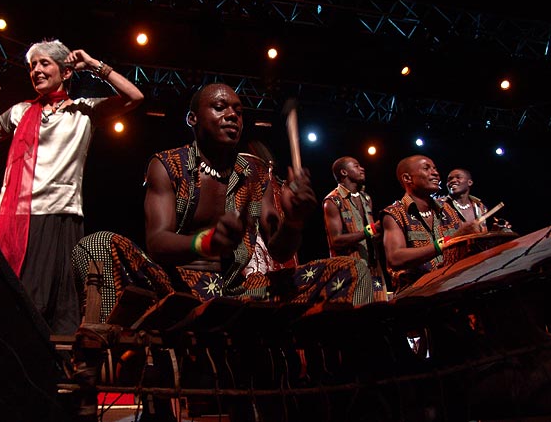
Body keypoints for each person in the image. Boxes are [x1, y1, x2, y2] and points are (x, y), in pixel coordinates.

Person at [71, 82, 374, 421]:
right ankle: (105, 361)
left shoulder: (255, 171)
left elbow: (278, 247)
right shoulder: (167, 164)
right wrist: (208, 242)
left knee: (352, 269)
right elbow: (157, 242)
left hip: (238, 290)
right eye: (219, 107)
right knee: (96, 243)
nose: (232, 114)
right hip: (175, 287)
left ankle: (351, 379)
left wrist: (296, 222)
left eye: (238, 110)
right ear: (193, 119)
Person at [0, 38, 144, 335]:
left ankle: (49, 373)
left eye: (44, 63)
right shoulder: (20, 111)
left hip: (58, 214)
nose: (36, 70)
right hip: (12, 215)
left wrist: (95, 66)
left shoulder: (84, 112)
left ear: (66, 72)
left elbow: (134, 96)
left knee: (49, 305)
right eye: (32, 65)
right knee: (0, 296)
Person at [381, 155, 482, 295]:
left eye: (434, 168)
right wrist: (445, 243)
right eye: (426, 168)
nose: (435, 173)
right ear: (407, 178)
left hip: (453, 287)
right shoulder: (394, 214)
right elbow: (395, 257)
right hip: (416, 296)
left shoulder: (448, 210)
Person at [323, 156, 388, 301]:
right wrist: (371, 229)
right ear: (344, 172)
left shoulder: (366, 198)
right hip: (349, 270)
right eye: (357, 166)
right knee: (357, 317)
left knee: (380, 314)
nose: (362, 168)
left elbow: (370, 235)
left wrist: (384, 229)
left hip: (373, 267)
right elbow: (336, 240)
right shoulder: (332, 201)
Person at [441, 167, 512, 231]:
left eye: (458, 177)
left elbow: (483, 239)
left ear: (470, 182)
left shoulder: (481, 207)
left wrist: (496, 231)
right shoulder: (440, 205)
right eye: (449, 179)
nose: (452, 181)